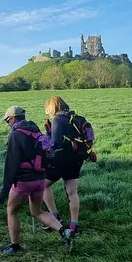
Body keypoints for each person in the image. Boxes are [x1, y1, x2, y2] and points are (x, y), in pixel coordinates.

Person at [0, 105, 75, 254]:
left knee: (11, 211)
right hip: (40, 179)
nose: (7, 123)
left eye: (7, 120)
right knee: (37, 211)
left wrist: (5, 187)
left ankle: (14, 246)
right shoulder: (35, 130)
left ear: (13, 118)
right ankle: (64, 231)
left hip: (23, 180)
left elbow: (11, 162)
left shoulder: (16, 134)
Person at [41, 96, 91, 234]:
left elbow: (55, 143)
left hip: (60, 160)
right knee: (72, 193)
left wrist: (46, 136)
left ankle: (54, 217)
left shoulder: (57, 119)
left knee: (42, 185)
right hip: (77, 159)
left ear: (53, 107)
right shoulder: (79, 118)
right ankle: (74, 225)